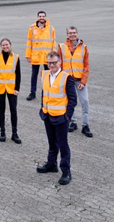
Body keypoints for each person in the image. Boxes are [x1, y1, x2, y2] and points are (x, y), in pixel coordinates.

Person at [36, 51, 77, 186]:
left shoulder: (66, 77)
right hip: (47, 115)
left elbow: (73, 99)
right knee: (51, 143)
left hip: (61, 117)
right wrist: (43, 107)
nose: (52, 65)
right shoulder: (45, 74)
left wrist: (67, 116)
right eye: (49, 62)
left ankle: (66, 171)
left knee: (63, 144)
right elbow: (44, 93)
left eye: (54, 62)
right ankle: (52, 164)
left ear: (59, 62)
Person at [59, 26, 92, 137]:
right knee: (70, 102)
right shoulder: (61, 47)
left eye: (74, 32)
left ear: (77, 33)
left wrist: (83, 81)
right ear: (67, 34)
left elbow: (86, 66)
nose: (72, 34)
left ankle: (85, 125)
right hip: (68, 80)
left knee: (85, 102)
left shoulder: (84, 47)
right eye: (70, 33)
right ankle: (73, 122)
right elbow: (60, 64)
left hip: (79, 80)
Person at [0, 38, 21, 144]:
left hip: (12, 88)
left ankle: (14, 133)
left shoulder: (16, 57)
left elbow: (18, 74)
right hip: (0, 87)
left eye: (7, 45)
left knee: (13, 110)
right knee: (1, 110)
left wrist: (17, 88)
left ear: (10, 45)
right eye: (3, 45)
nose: (5, 47)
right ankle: (2, 132)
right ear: (0, 46)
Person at [25, 11, 57, 101]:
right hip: (36, 55)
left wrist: (54, 55)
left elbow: (54, 42)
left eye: (43, 16)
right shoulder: (32, 28)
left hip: (48, 56)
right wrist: (28, 55)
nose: (42, 17)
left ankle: (48, 92)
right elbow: (29, 42)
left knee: (48, 75)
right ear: (37, 17)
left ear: (46, 17)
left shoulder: (51, 28)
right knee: (34, 74)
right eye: (40, 16)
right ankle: (32, 92)